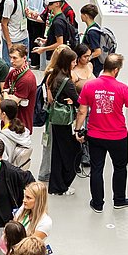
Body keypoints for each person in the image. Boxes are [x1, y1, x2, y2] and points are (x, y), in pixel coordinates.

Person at [75, 53, 128, 213]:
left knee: (96, 169)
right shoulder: (122, 89)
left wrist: (78, 130)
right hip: (118, 137)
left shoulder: (89, 86)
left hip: (95, 136)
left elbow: (82, 112)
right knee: (120, 168)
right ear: (115, 70)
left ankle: (97, 203)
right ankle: (119, 200)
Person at [38, 48, 80, 195]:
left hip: (54, 119)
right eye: (74, 61)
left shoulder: (53, 75)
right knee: (71, 153)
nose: (76, 63)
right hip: (64, 122)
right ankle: (63, 184)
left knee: (57, 152)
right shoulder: (67, 81)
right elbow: (78, 101)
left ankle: (56, 185)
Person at [1, 43, 37, 131]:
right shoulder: (12, 72)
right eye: (11, 57)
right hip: (8, 122)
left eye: (15, 58)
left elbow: (12, 103)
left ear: (24, 58)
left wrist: (7, 96)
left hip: (20, 124)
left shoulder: (27, 79)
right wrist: (7, 95)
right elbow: (4, 90)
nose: (11, 61)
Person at [0, 99, 33, 170]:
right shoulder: (23, 130)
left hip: (9, 173)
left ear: (3, 114)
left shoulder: (3, 136)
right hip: (21, 170)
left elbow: (3, 160)